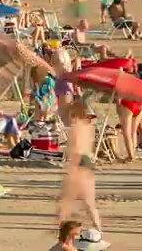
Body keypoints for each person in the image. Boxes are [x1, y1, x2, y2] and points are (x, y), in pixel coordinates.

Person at [57, 100, 102, 234]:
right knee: (89, 203)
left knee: (66, 199)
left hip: (79, 162)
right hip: (88, 162)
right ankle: (99, 228)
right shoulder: (89, 127)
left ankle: (60, 228)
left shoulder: (76, 128)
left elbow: (76, 149)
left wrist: (72, 168)